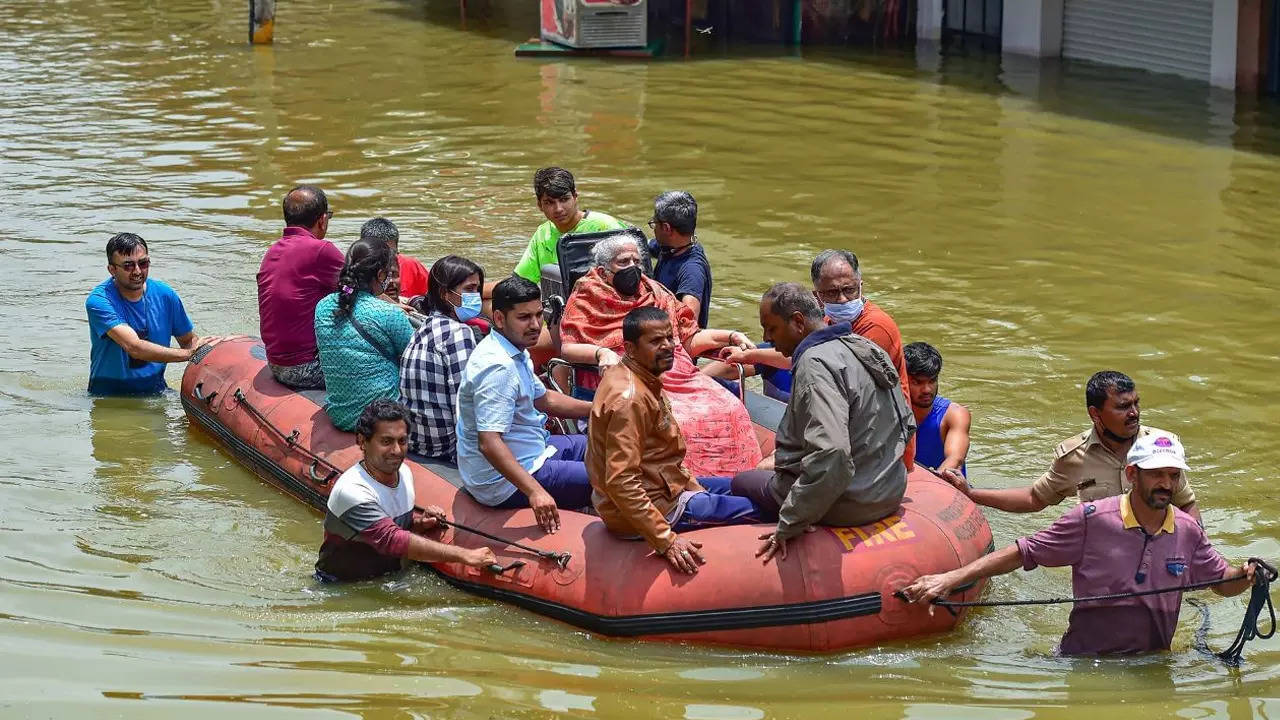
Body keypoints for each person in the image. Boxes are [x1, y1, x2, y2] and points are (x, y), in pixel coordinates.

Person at [899, 433, 1257, 655]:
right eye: (1157, 474)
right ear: (1133, 474)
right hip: (1084, 664)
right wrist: (948, 579)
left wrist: (1247, 574)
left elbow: (1221, 583)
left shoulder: (1187, 530)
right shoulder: (1091, 519)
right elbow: (1023, 552)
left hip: (1153, 664)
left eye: (1173, 475)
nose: (1166, 483)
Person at [732, 283, 915, 564]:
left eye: (771, 329)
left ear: (797, 322)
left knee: (742, 480)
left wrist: (791, 521)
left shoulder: (814, 364)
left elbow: (834, 452)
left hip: (849, 505)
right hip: (889, 491)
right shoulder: (864, 346)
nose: (766, 338)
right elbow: (905, 419)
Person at [559, 235, 763, 477]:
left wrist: (730, 336)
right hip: (631, 378)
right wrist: (602, 352)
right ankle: (684, 484)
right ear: (604, 272)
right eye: (623, 262)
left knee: (730, 408)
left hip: (679, 372)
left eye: (637, 260)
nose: (633, 267)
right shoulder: (587, 297)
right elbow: (568, 348)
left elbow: (688, 338)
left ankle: (736, 477)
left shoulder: (656, 292)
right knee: (679, 420)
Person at [587, 307, 762, 575]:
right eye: (656, 341)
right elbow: (621, 481)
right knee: (760, 509)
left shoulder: (642, 378)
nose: (667, 346)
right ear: (630, 348)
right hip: (658, 507)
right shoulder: (630, 399)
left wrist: (695, 488)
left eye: (670, 338)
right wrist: (666, 540)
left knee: (747, 485)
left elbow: (662, 459)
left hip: (669, 486)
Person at [708, 249, 915, 469]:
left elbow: (835, 372)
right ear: (817, 296)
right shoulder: (826, 320)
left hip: (880, 438)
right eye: (832, 293)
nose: (843, 299)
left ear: (861, 285)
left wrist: (751, 355)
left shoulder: (875, 327)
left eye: (849, 290)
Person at [941, 371, 1201, 523]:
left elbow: (1186, 504)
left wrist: (1197, 557)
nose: (1134, 413)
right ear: (1095, 414)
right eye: (1123, 407)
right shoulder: (1073, 457)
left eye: (1136, 404)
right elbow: (1034, 498)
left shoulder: (1162, 447)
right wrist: (971, 494)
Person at [456, 277, 593, 534]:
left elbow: (544, 399)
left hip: (535, 448)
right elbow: (489, 442)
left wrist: (597, 408)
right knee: (615, 479)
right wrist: (535, 492)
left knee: (605, 445)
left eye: (539, 315)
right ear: (498, 318)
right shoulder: (498, 367)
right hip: (502, 482)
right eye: (524, 317)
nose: (535, 325)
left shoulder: (514, 349)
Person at [314, 399, 497, 583]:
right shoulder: (352, 491)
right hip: (342, 588)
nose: (396, 450)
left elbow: (390, 529)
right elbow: (391, 540)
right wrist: (466, 556)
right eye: (386, 441)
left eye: (402, 441)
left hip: (388, 580)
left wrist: (419, 523)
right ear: (362, 441)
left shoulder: (404, 473)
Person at [86, 233, 216, 395]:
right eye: (128, 266)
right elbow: (133, 347)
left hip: (157, 391)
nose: (137, 271)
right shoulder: (99, 301)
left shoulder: (165, 295)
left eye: (143, 263)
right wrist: (188, 354)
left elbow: (188, 340)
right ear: (112, 269)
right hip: (109, 398)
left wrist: (203, 350)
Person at [313, 238, 414, 431]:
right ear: (381, 274)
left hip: (340, 416)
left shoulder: (322, 307)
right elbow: (415, 358)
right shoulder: (389, 314)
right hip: (383, 418)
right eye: (388, 274)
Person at [257, 185, 345, 389]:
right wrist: (397, 304)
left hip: (276, 362)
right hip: (306, 367)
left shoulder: (273, 251)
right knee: (385, 366)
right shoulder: (321, 250)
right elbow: (362, 283)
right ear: (322, 220)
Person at [400, 255, 485, 462]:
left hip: (418, 440)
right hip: (445, 446)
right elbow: (465, 402)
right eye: (469, 289)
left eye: (477, 289)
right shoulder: (458, 333)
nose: (476, 296)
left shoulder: (424, 327)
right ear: (445, 293)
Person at [510, 167, 627, 285]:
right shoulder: (542, 233)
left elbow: (632, 275)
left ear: (575, 197)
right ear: (539, 205)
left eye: (564, 199)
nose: (558, 209)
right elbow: (521, 282)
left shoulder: (606, 227)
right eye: (549, 202)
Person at [904, 342, 971, 476]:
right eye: (917, 382)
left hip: (945, 489)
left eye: (932, 381)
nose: (927, 389)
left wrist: (930, 484)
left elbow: (955, 459)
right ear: (902, 380)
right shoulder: (888, 413)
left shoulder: (955, 415)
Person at [649, 191, 712, 329]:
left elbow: (689, 322)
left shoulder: (691, 270)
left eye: (654, 224)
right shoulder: (670, 246)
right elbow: (644, 247)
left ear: (666, 228)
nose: (653, 229)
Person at [361, 217, 429, 300]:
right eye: (378, 254)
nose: (385, 259)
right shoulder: (354, 270)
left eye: (390, 253)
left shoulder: (411, 266)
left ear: (397, 250)